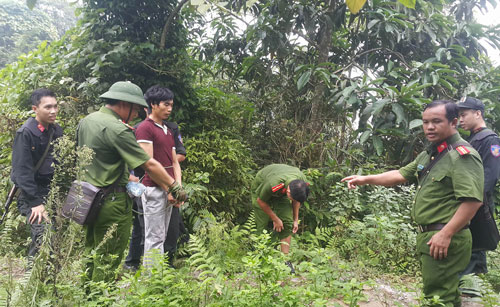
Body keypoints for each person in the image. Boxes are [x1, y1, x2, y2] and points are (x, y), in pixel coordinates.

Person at [342, 100, 484, 306]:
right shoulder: (432, 153)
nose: (429, 127)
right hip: (432, 235)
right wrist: (364, 179)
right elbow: (400, 174)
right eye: (426, 122)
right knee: (443, 296)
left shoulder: (461, 155)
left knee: (438, 298)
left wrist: (446, 234)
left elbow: (472, 201)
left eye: (436, 121)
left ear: (453, 122)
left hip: (445, 237)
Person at [77, 81, 186, 282]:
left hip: (88, 196)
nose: (137, 113)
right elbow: (149, 165)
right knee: (109, 254)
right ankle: (101, 298)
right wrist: (174, 187)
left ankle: (87, 294)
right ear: (123, 104)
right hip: (112, 200)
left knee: (92, 249)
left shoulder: (88, 121)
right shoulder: (119, 129)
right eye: (135, 109)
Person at [135, 85, 183, 267]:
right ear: (153, 104)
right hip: (154, 189)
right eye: (166, 104)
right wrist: (169, 188)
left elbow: (175, 162)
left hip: (169, 188)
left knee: (162, 235)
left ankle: (158, 278)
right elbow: (149, 165)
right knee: (154, 236)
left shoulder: (168, 129)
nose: (170, 109)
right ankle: (151, 281)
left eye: (171, 105)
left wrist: (177, 188)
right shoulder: (144, 129)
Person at [11, 89, 63, 258]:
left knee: (54, 238)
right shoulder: (25, 133)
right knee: (42, 236)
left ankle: (49, 280)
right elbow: (22, 172)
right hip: (32, 194)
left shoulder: (56, 131)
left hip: (51, 191)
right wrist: (35, 203)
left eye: (55, 106)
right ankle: (32, 281)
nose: (53, 111)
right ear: (35, 109)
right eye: (48, 107)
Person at [458, 97, 500, 276]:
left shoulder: (490, 140)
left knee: (476, 244)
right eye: (459, 115)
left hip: (477, 201)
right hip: (468, 199)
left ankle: (473, 290)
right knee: (471, 243)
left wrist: (474, 202)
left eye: (464, 114)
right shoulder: (473, 138)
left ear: (478, 113)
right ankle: (473, 284)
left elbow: (489, 176)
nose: (460, 119)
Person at [251, 164, 309, 272]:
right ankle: (260, 260)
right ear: (288, 192)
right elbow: (261, 201)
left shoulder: (301, 183)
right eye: (291, 197)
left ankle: (285, 261)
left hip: (281, 191)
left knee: (288, 223)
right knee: (262, 224)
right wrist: (275, 219)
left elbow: (297, 200)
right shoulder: (273, 184)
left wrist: (295, 220)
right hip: (262, 185)